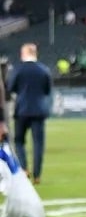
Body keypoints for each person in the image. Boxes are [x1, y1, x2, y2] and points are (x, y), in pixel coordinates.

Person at [5, 43, 52, 184]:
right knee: (38, 144)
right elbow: (47, 90)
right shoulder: (44, 70)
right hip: (39, 110)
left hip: (22, 110)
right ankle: (37, 175)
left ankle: (24, 169)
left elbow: (10, 88)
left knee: (19, 141)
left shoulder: (18, 70)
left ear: (24, 54)